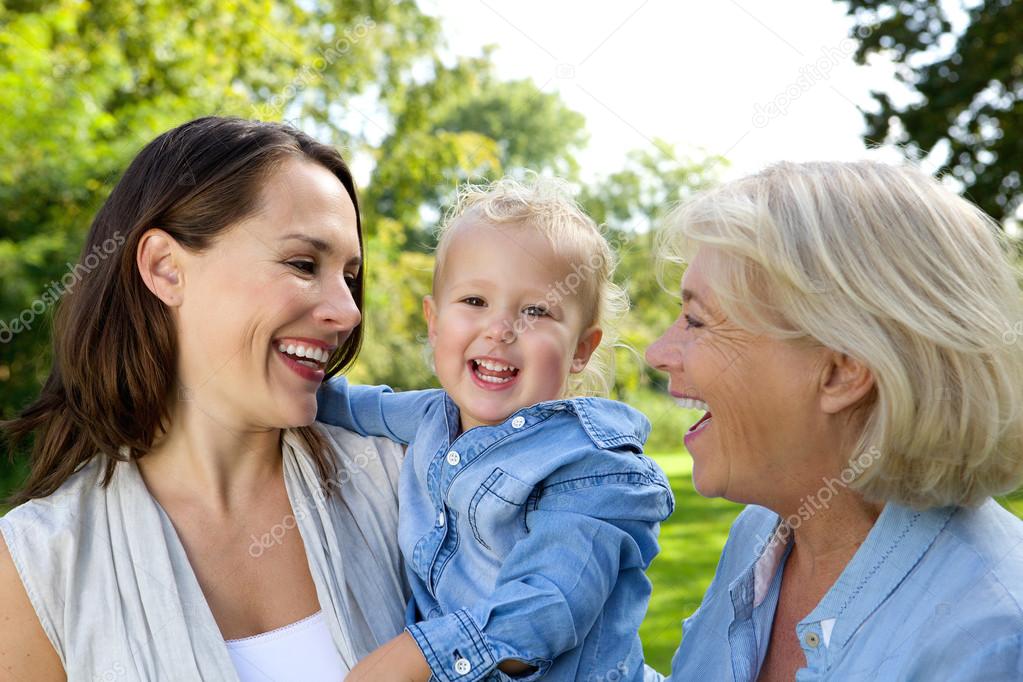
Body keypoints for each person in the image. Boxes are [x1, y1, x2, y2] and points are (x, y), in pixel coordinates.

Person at [0, 117, 408, 681]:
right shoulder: (37, 567)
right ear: (166, 269)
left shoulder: (402, 484)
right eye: (303, 264)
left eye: (350, 275)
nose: (349, 311)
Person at [644, 161, 1023, 681]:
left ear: (842, 371)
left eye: (696, 320)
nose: (658, 351)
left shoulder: (991, 641)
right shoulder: (765, 533)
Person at [317, 176, 675, 681]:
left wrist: (417, 654)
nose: (501, 328)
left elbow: (548, 608)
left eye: (536, 311)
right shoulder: (427, 417)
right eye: (475, 302)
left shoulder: (592, 468)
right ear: (435, 321)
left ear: (581, 349)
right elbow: (339, 404)